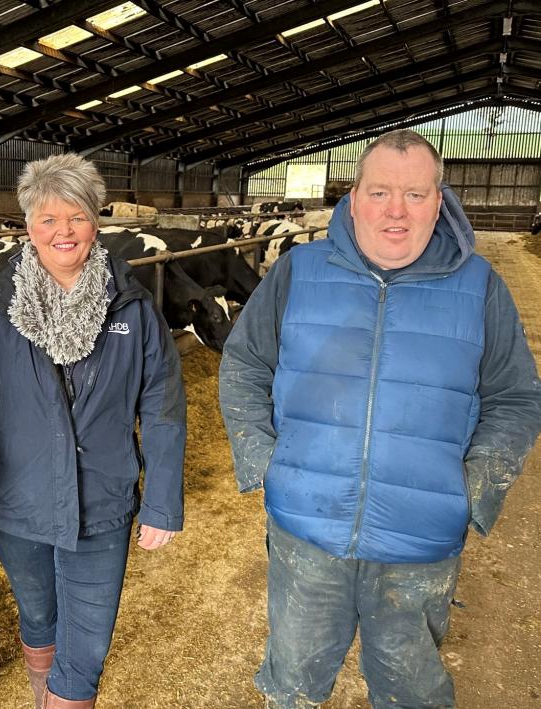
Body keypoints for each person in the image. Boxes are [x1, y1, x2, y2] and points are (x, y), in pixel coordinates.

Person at [218, 128, 541, 708]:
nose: (397, 211)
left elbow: (516, 398)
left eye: (416, 195)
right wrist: (266, 461)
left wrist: (473, 487)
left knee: (411, 690)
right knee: (292, 683)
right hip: (305, 530)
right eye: (380, 192)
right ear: (353, 196)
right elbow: (243, 363)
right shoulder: (298, 272)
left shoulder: (479, 287)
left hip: (421, 540)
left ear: (439, 202)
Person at [0, 153, 186, 708]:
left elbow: (162, 405)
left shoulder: (134, 306)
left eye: (77, 216)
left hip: (102, 502)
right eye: (48, 219)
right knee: (40, 618)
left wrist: (163, 502)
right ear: (28, 228)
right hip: (16, 503)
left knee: (86, 651)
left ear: (97, 222)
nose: (63, 231)